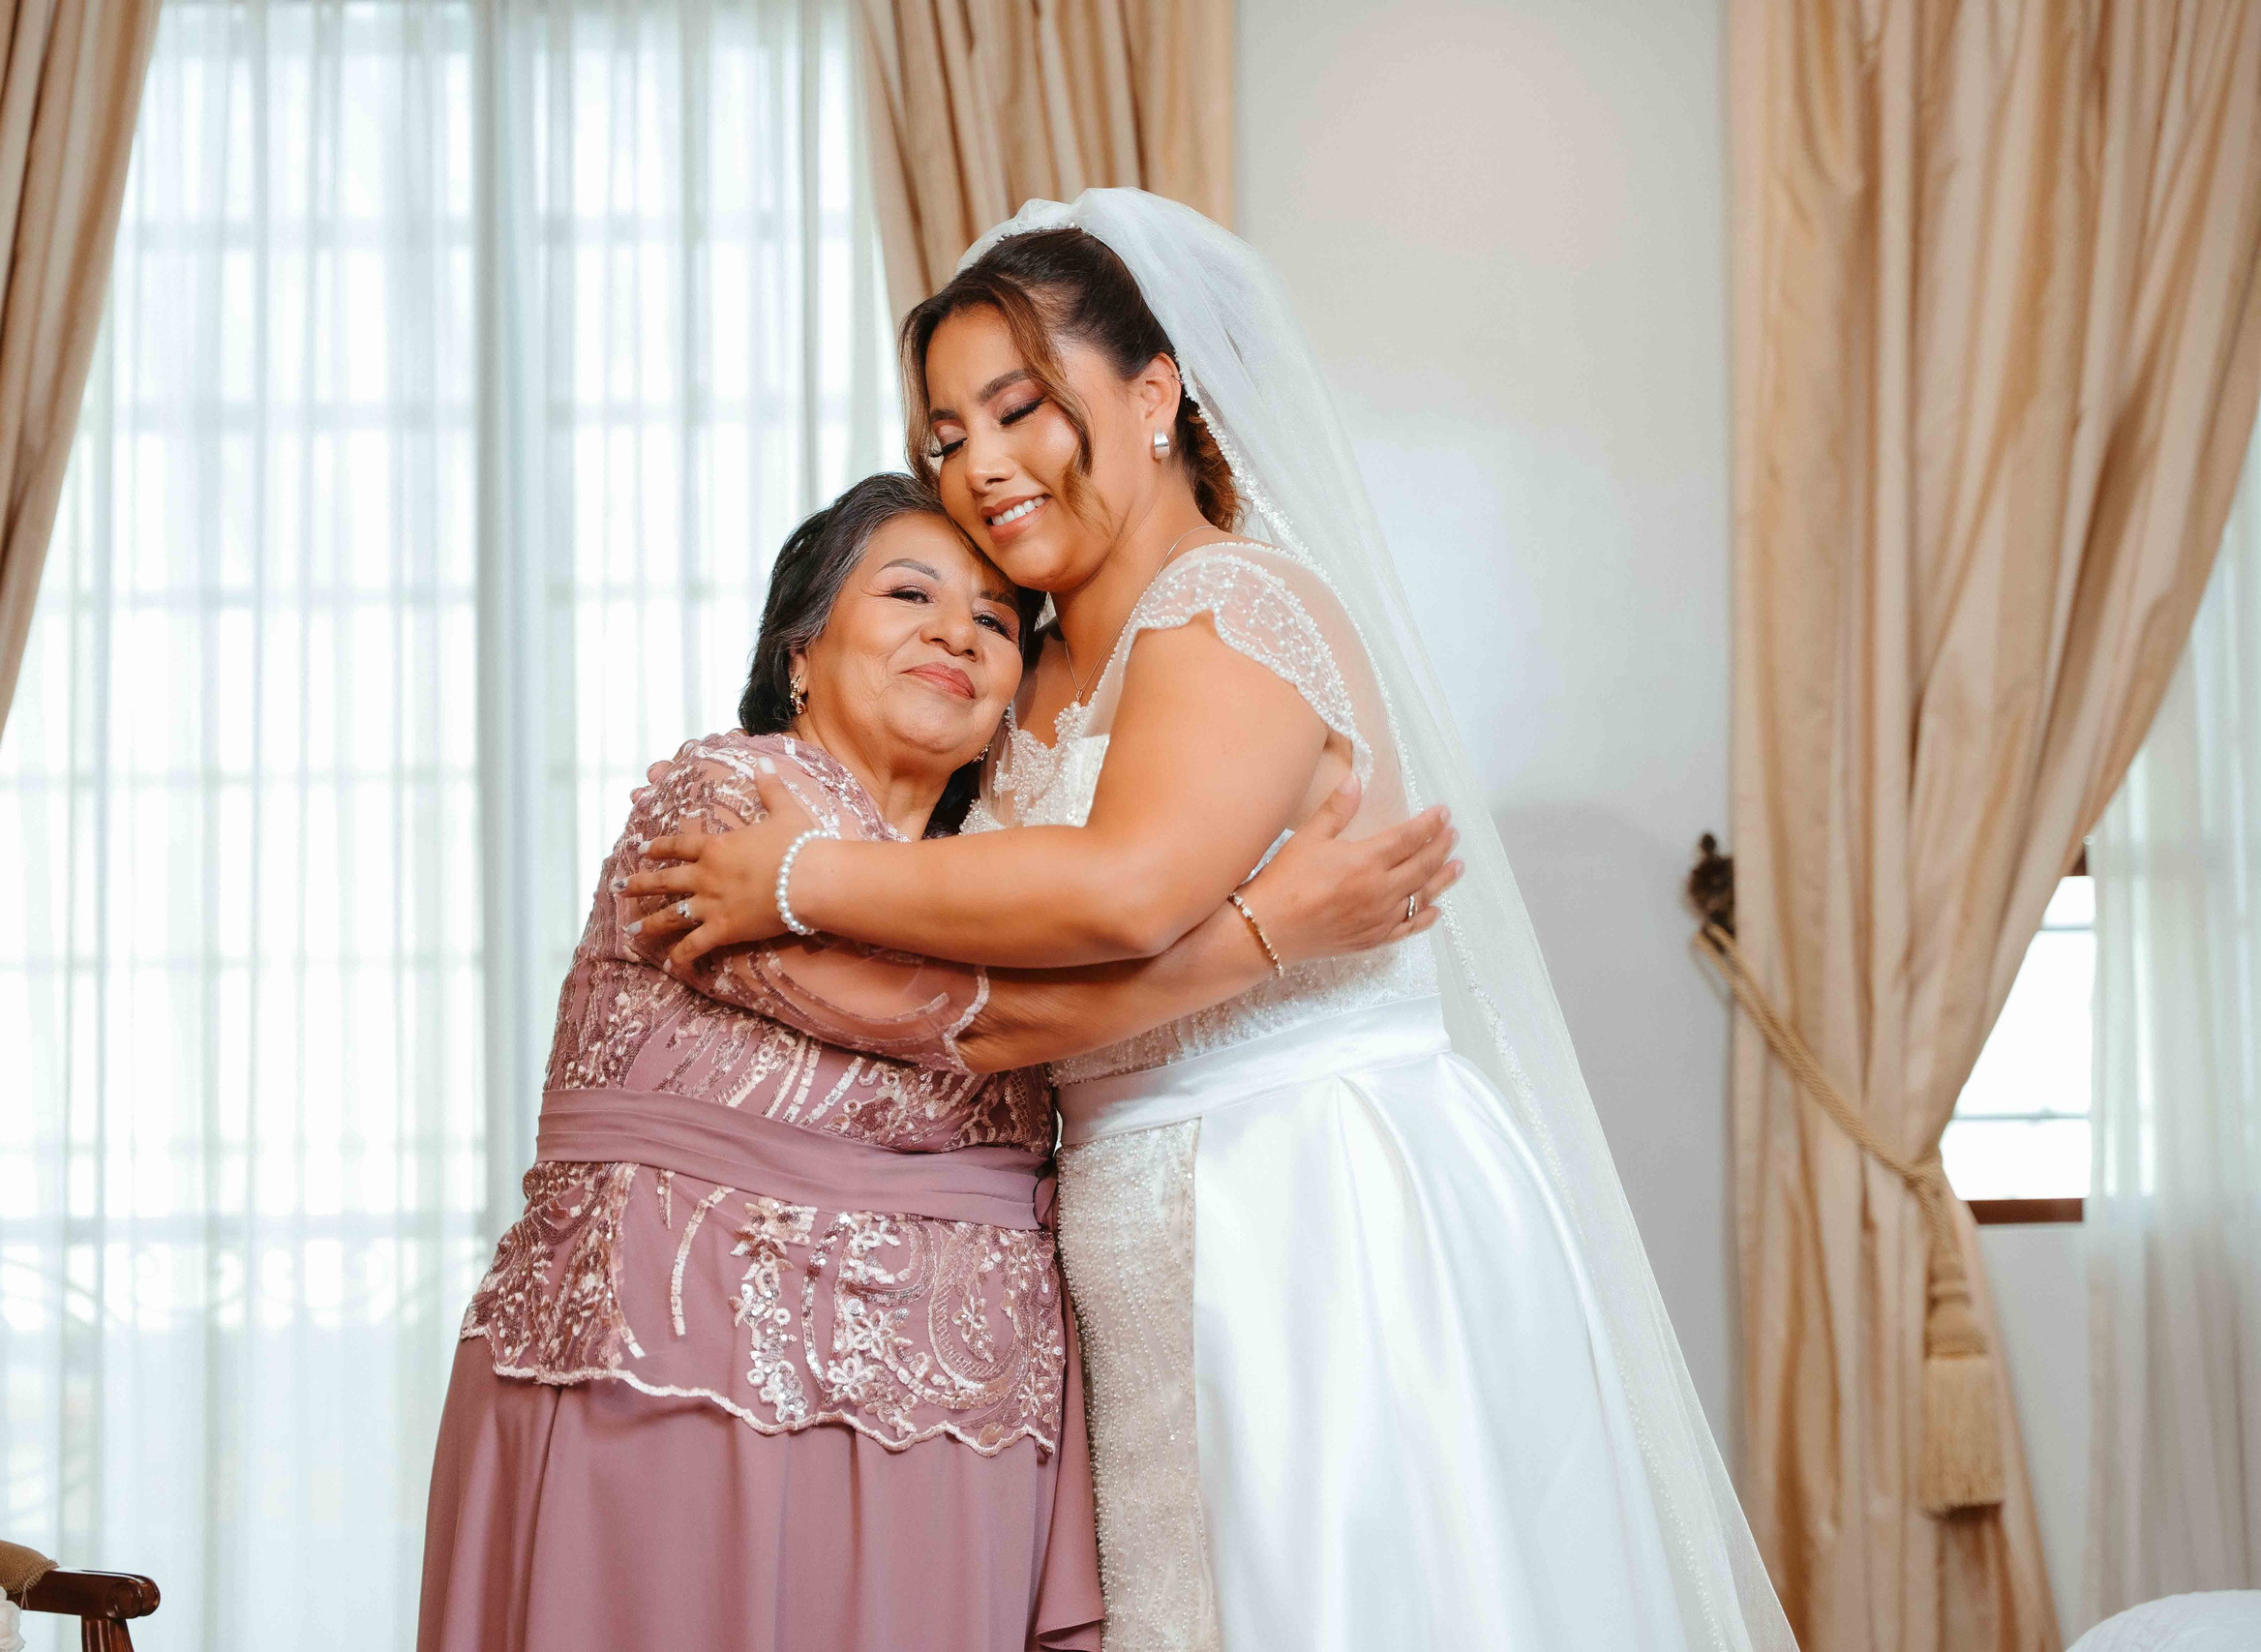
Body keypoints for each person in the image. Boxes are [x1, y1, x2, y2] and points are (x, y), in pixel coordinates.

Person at [628, 193, 1800, 1651]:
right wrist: (1261, 931)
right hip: (1122, 1230)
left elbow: (1118, 892)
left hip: (1316, 1208)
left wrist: (796, 883)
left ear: (1155, 392)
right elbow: (993, 1020)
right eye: (946, 437)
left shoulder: (1233, 606)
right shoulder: (1017, 672)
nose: (980, 466)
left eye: (1019, 409)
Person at [416, 470, 1460, 1652]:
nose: (957, 632)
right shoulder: (722, 806)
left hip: (964, 1424)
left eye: (997, 622)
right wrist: (1276, 930)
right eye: (910, 591)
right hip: (687, 1378)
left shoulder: (995, 879)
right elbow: (966, 1023)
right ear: (799, 649)